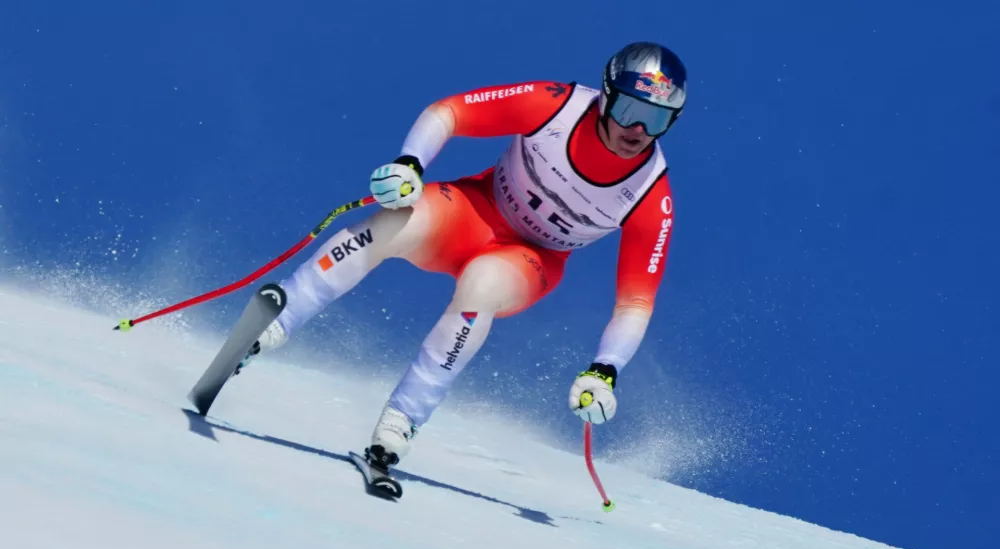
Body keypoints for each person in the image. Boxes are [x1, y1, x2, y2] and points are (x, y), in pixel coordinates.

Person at [239, 41, 687, 471]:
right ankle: (275, 321)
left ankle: (402, 420)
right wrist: (409, 164)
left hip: (530, 259)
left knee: (484, 286)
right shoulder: (555, 105)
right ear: (607, 96)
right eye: (631, 110)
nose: (638, 132)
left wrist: (605, 371)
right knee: (394, 222)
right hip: (474, 209)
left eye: (657, 119)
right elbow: (448, 112)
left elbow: (635, 303)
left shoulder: (651, 196)